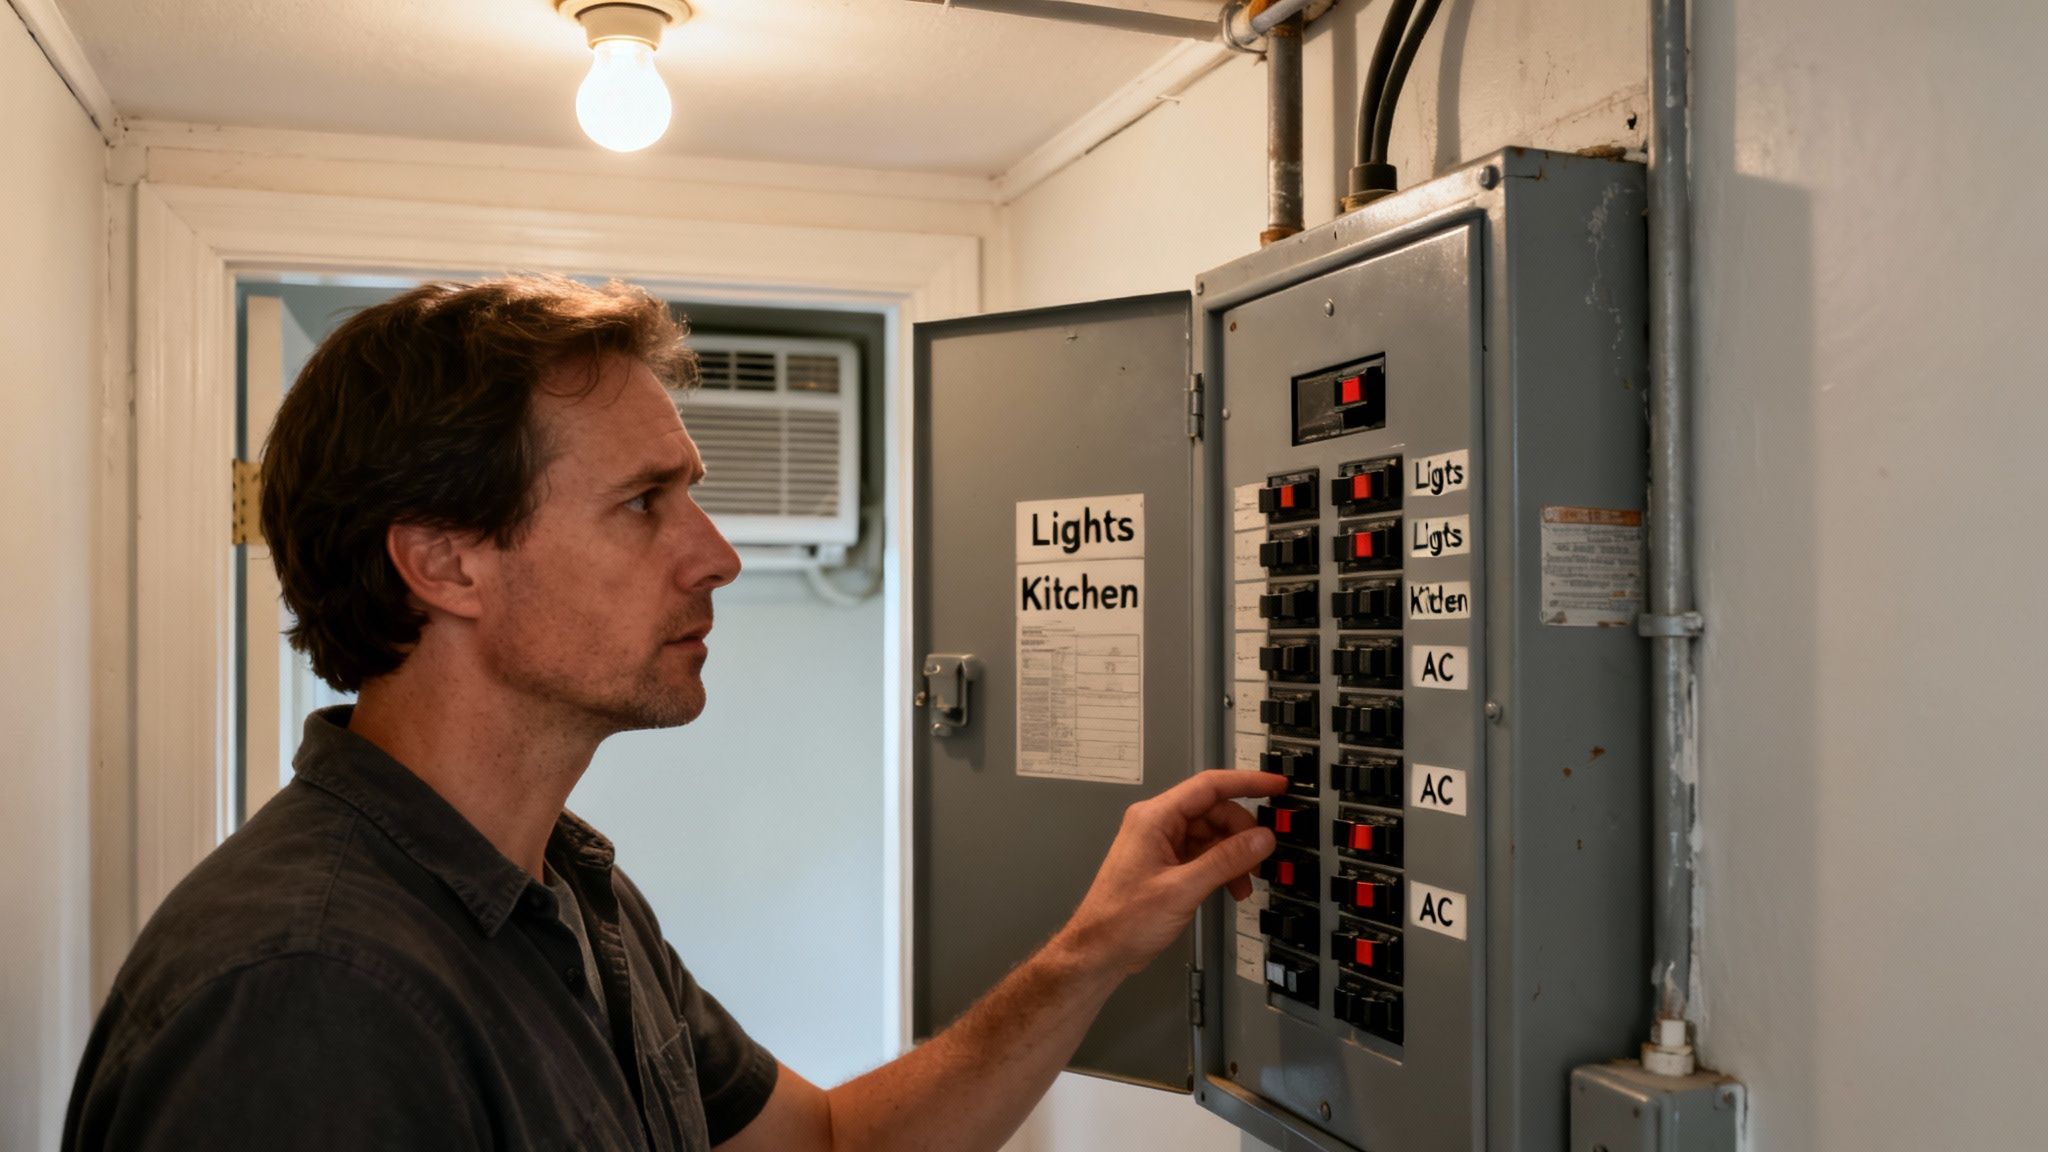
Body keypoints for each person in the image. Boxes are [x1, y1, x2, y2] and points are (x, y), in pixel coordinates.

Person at [63, 275, 1285, 1150]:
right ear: (445, 564)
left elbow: (828, 1145)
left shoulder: (565, 895)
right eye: (645, 502)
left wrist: (1096, 946)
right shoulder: (306, 996)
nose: (714, 556)